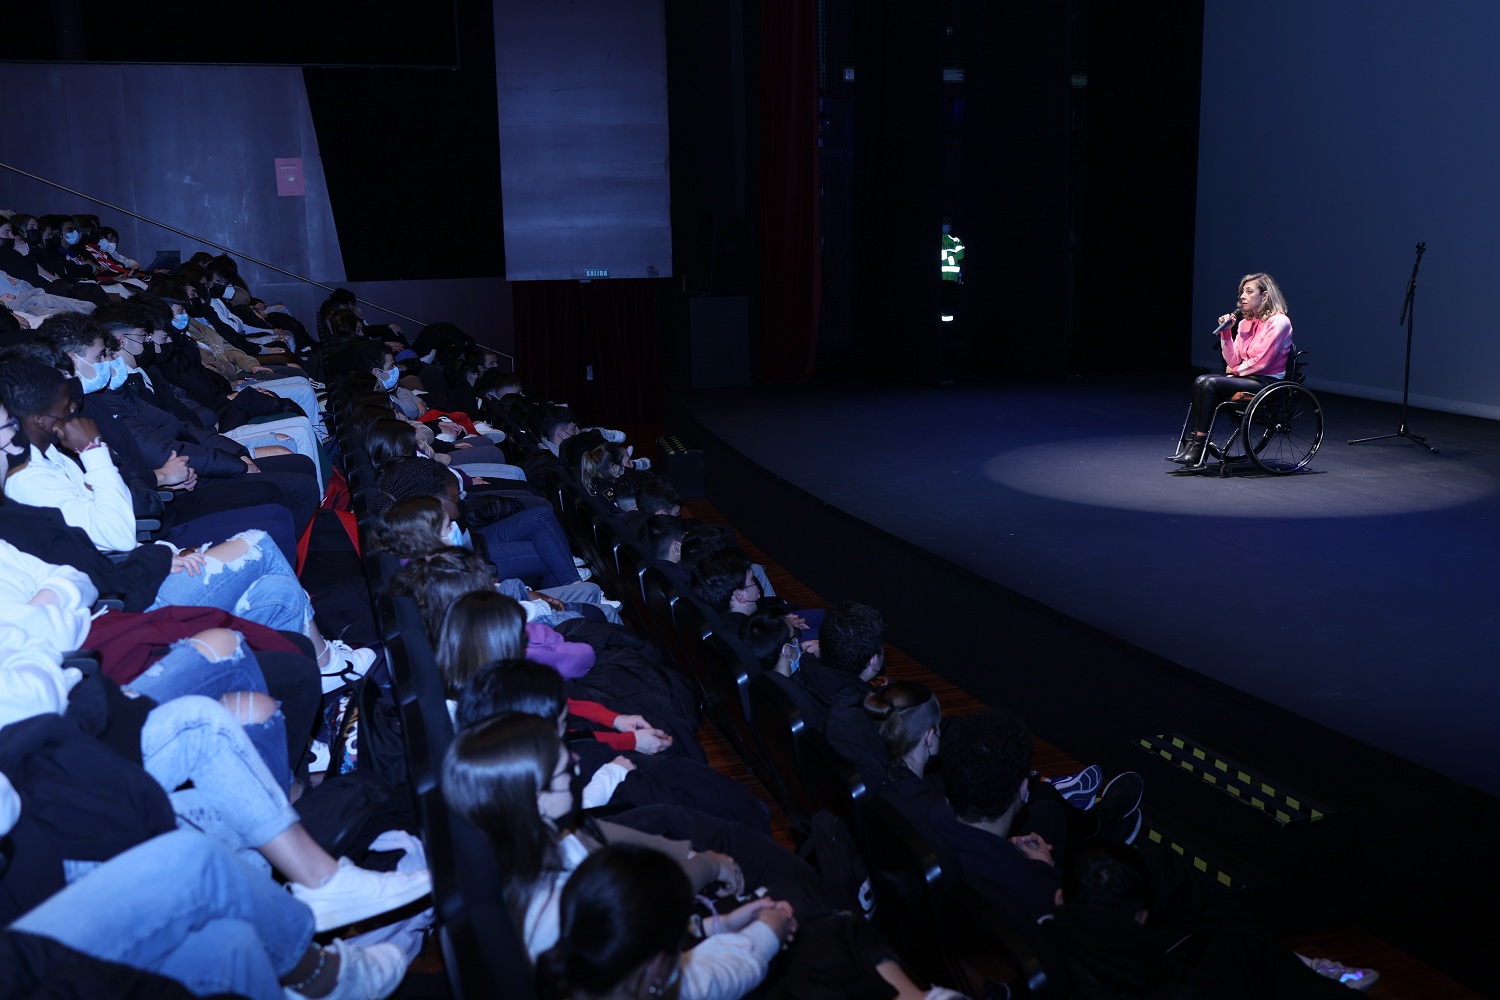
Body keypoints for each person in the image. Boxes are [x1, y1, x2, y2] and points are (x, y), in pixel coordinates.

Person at [1171, 273, 1294, 467]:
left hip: (1267, 382)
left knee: (1210, 382)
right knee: (1200, 380)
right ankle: (1194, 445)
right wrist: (1226, 333)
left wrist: (1234, 371)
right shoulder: (1244, 323)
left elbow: (1262, 362)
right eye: (1241, 292)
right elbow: (1233, 358)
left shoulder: (1279, 322)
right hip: (1247, 376)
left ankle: (1197, 448)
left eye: (1249, 291)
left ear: (1264, 295)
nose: (1242, 297)